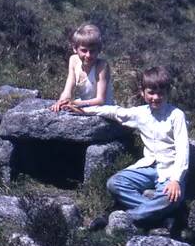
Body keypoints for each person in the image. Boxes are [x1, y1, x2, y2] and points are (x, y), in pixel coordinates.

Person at [69, 66, 188, 229]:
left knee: (170, 197)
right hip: (149, 166)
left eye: (161, 93)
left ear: (168, 92)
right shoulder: (141, 113)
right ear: (143, 92)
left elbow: (183, 150)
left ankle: (121, 217)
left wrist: (175, 180)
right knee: (115, 183)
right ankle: (161, 215)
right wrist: (82, 109)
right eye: (151, 93)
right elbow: (114, 112)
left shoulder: (176, 115)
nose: (156, 97)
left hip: (171, 170)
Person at [50, 23, 115, 112]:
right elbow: (68, 89)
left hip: (103, 108)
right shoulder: (73, 60)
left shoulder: (101, 66)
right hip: (85, 104)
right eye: (84, 50)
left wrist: (74, 104)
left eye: (92, 51)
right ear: (75, 48)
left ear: (99, 50)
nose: (88, 55)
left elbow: (100, 100)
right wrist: (61, 101)